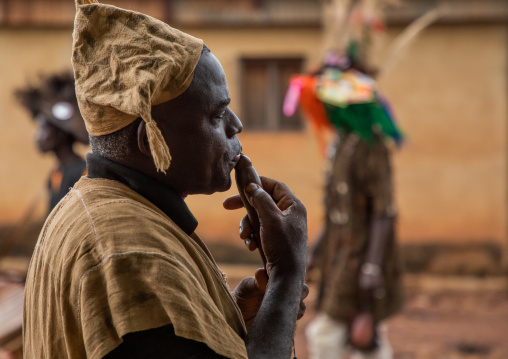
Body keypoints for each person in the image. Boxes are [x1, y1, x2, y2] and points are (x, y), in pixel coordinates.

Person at [23, 1, 308, 359]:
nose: (236, 126)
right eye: (217, 114)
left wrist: (231, 320)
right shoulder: (131, 255)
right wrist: (287, 273)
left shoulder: (108, 211)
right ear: (151, 140)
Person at [305, 109, 403, 359]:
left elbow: (385, 212)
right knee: (360, 335)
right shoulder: (341, 142)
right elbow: (337, 212)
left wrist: (372, 267)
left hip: (360, 259)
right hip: (339, 258)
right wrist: (313, 252)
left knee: (328, 334)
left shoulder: (372, 143)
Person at [15, 72, 89, 212]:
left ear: (60, 134)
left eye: (43, 129)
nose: (37, 136)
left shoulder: (82, 173)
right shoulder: (56, 175)